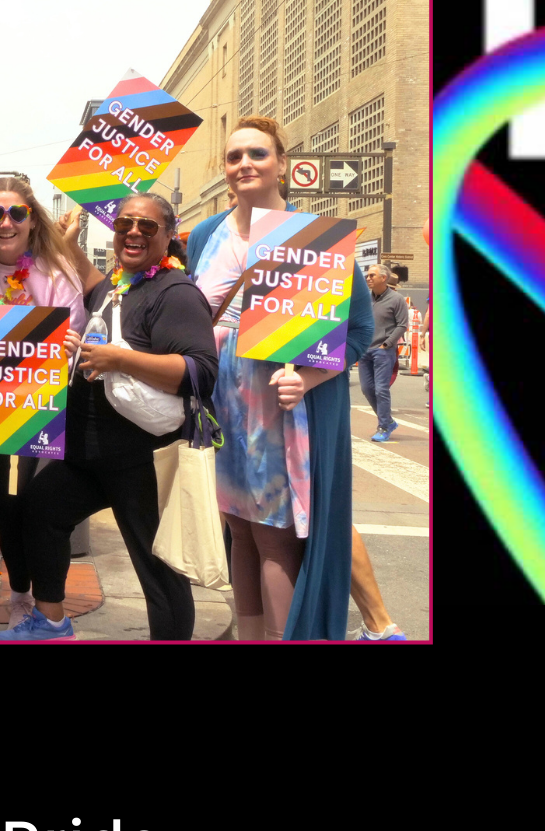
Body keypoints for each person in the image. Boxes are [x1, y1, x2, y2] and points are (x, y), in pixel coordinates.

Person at [186, 116, 373, 640]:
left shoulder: (314, 238)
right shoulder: (205, 236)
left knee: (274, 540)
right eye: (234, 156)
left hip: (282, 415)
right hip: (223, 411)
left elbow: (360, 328)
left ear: (281, 164)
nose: (244, 164)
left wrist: (310, 381)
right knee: (239, 533)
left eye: (257, 154)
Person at [10, 193, 217, 641]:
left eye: (147, 226)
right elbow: (85, 275)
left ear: (168, 235)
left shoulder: (176, 293)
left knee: (157, 566)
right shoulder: (115, 285)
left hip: (140, 460)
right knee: (41, 510)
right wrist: (69, 240)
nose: (134, 233)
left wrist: (119, 359)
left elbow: (201, 372)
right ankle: (49, 621)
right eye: (125, 225)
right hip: (85, 456)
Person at [0, 177, 90, 628]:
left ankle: (30, 597)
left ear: (33, 220)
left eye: (17, 213)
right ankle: (9, 591)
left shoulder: (55, 274)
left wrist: (71, 343)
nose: (6, 222)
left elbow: (73, 334)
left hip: (36, 405)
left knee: (23, 502)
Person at [359, 263, 408, 442]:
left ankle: (384, 426)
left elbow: (402, 325)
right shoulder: (365, 298)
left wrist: (387, 344)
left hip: (383, 351)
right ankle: (387, 421)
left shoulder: (397, 299)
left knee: (381, 390)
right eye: (368, 275)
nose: (368, 278)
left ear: (383, 278)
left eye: (372, 275)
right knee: (366, 389)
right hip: (365, 350)